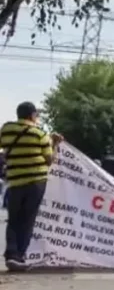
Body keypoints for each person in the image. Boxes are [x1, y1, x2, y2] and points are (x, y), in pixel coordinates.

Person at [2, 102, 62, 271]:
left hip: (15, 182)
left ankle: (11, 255)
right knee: (27, 220)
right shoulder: (40, 134)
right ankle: (19, 257)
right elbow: (49, 160)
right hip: (36, 182)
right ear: (32, 115)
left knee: (13, 219)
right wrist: (55, 143)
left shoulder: (7, 129)